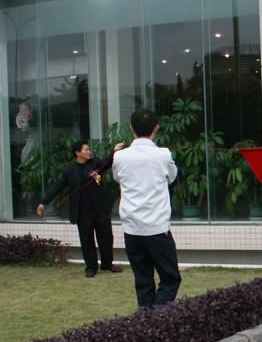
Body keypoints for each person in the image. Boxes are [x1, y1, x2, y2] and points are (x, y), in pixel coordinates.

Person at [112, 108, 181, 309]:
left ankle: (145, 319)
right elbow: (172, 177)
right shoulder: (163, 154)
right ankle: (155, 318)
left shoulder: (120, 156)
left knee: (143, 281)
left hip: (132, 228)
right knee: (171, 278)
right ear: (156, 128)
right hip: (157, 227)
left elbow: (117, 178)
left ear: (131, 128)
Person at [36, 140, 125, 277]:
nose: (89, 152)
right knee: (86, 241)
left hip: (100, 209)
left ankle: (107, 264)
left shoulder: (95, 163)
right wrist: (44, 202)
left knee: (106, 238)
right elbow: (57, 186)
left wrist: (115, 151)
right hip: (82, 213)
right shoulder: (69, 170)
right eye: (86, 150)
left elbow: (107, 162)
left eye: (89, 149)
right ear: (77, 152)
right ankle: (91, 267)